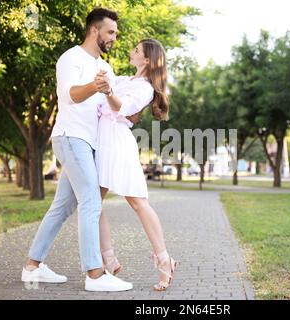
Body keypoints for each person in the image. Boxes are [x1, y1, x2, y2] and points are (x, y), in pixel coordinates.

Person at [21, 8, 133, 292]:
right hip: (71, 137)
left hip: (90, 142)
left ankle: (33, 266)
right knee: (91, 201)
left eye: (116, 33)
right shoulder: (71, 58)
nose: (114, 38)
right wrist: (95, 86)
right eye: (111, 32)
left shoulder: (106, 68)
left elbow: (119, 104)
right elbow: (70, 95)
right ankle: (95, 274)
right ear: (95, 31)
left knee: (63, 206)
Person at [94, 39, 177, 291]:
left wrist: (108, 92)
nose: (132, 51)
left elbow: (122, 107)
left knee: (137, 202)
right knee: (93, 202)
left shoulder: (145, 88)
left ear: (148, 60)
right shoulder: (125, 80)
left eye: (137, 50)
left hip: (117, 143)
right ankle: (109, 260)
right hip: (102, 140)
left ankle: (164, 260)